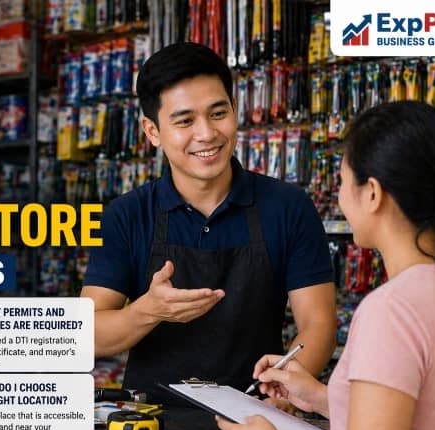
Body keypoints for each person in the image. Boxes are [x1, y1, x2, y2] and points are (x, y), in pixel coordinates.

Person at [218, 101, 435, 430]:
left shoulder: (392, 309)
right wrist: (320, 397)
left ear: (372, 193)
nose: (338, 196)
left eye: (342, 182)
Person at [81, 43, 336, 401]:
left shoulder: (288, 207)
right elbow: (88, 334)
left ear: (234, 109)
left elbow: (319, 323)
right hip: (152, 423)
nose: (207, 133)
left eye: (218, 113)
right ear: (152, 131)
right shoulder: (127, 215)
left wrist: (284, 388)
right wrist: (148, 310)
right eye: (185, 121)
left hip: (257, 416)